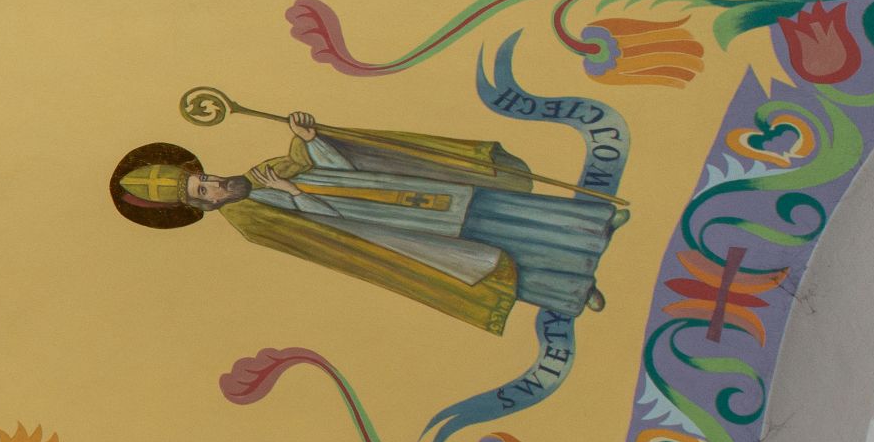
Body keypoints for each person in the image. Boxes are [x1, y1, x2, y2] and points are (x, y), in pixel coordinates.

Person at [109, 111, 621, 331]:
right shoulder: (252, 220)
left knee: (501, 211)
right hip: (395, 229)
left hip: (412, 194)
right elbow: (325, 230)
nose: (217, 184)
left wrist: (310, 140)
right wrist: (292, 192)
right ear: (201, 208)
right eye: (205, 191)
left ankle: (593, 227)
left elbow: (338, 171)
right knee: (490, 252)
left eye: (205, 177)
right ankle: (575, 290)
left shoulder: (260, 172)